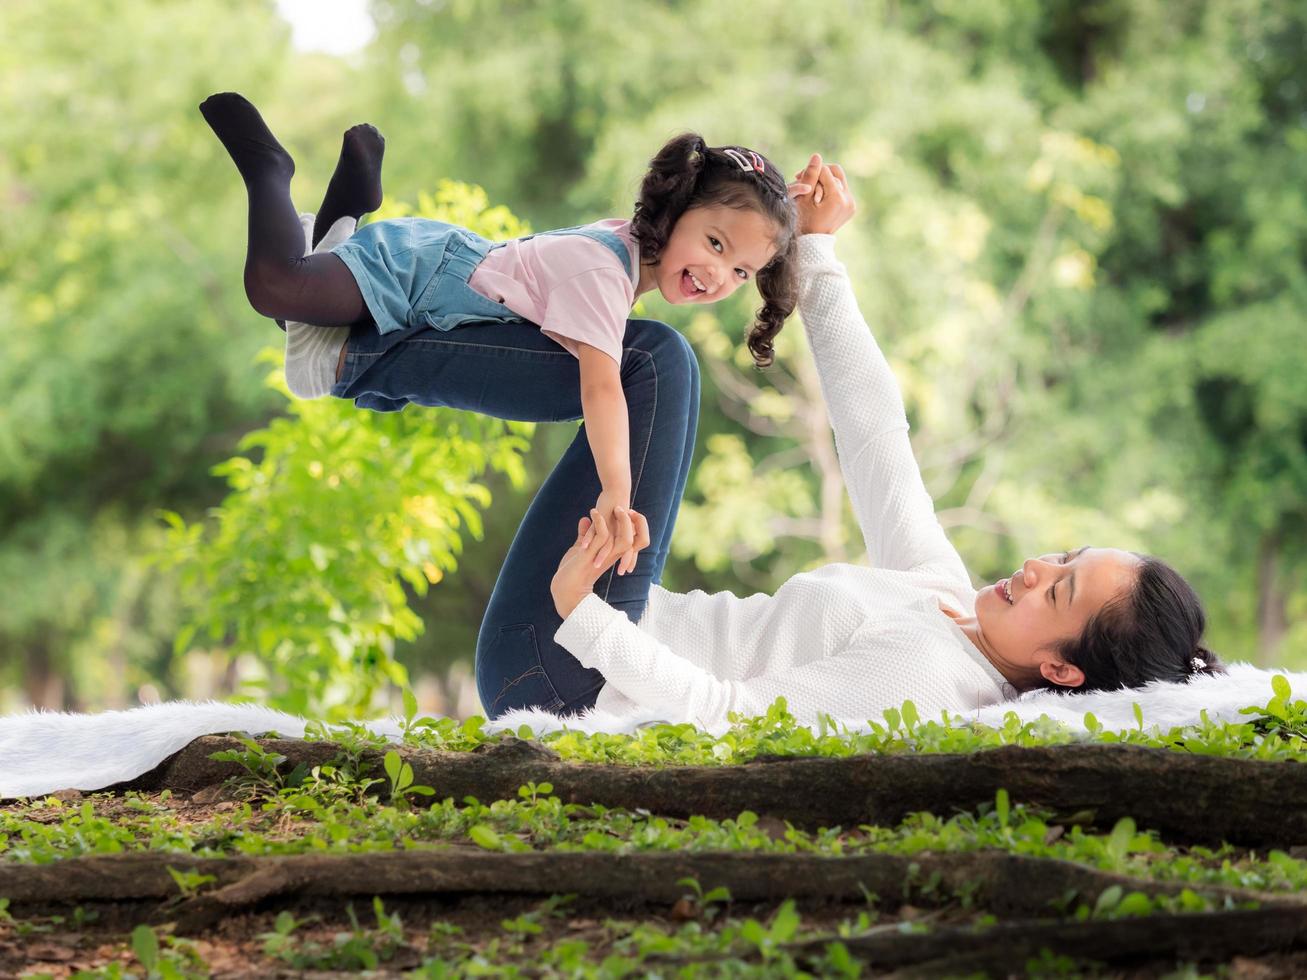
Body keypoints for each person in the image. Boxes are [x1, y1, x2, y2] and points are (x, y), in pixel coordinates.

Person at [544, 155, 1225, 727]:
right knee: (633, 352)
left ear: (1059, 669)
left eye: (1057, 591)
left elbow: (728, 716)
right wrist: (815, 249)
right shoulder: (944, 599)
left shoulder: (924, 680)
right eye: (1061, 557)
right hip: (603, 610)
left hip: (571, 666)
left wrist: (584, 615)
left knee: (654, 363)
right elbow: (873, 435)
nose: (1033, 569)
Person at [198, 91, 799, 577]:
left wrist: (790, 217)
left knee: (299, 320)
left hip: (435, 278)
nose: (720, 274)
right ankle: (270, 170)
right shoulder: (604, 274)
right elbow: (601, 389)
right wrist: (619, 491)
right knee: (279, 290)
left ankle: (350, 204)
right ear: (676, 211)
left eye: (742, 271)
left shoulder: (627, 253)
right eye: (715, 244)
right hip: (419, 274)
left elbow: (754, 223)